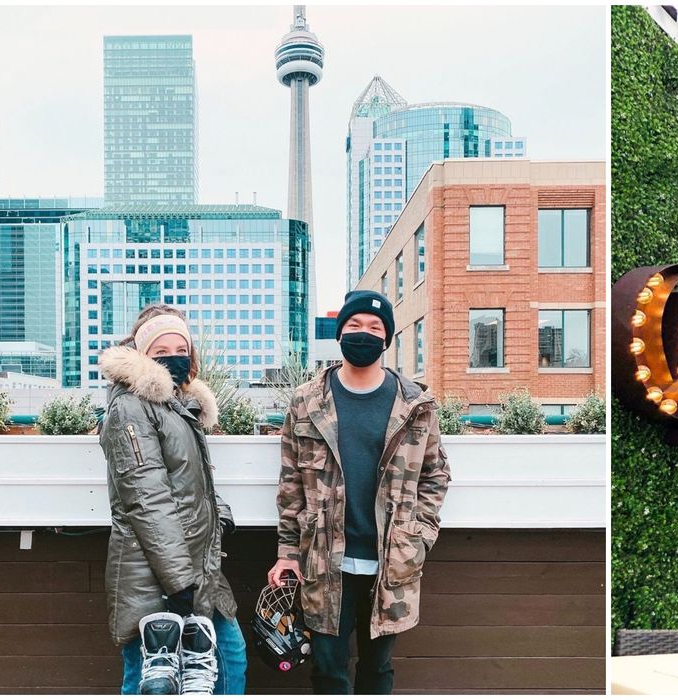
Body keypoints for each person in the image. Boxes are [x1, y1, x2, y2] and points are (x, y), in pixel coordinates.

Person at [268, 290, 451, 694]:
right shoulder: (307, 401)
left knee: (377, 669)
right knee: (327, 671)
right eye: (354, 325)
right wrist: (287, 552)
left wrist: (418, 537)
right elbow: (291, 481)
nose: (363, 333)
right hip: (322, 560)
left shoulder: (415, 404)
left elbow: (435, 475)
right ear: (339, 333)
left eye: (374, 327)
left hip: (391, 561)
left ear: (387, 338)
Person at [99, 304, 247, 694]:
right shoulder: (130, 407)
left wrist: (219, 515)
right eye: (161, 351)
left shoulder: (178, 406)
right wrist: (180, 585)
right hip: (154, 575)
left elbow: (192, 480)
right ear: (142, 355)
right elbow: (147, 499)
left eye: (181, 349)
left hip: (196, 565)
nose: (174, 358)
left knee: (227, 662)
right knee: (151, 678)